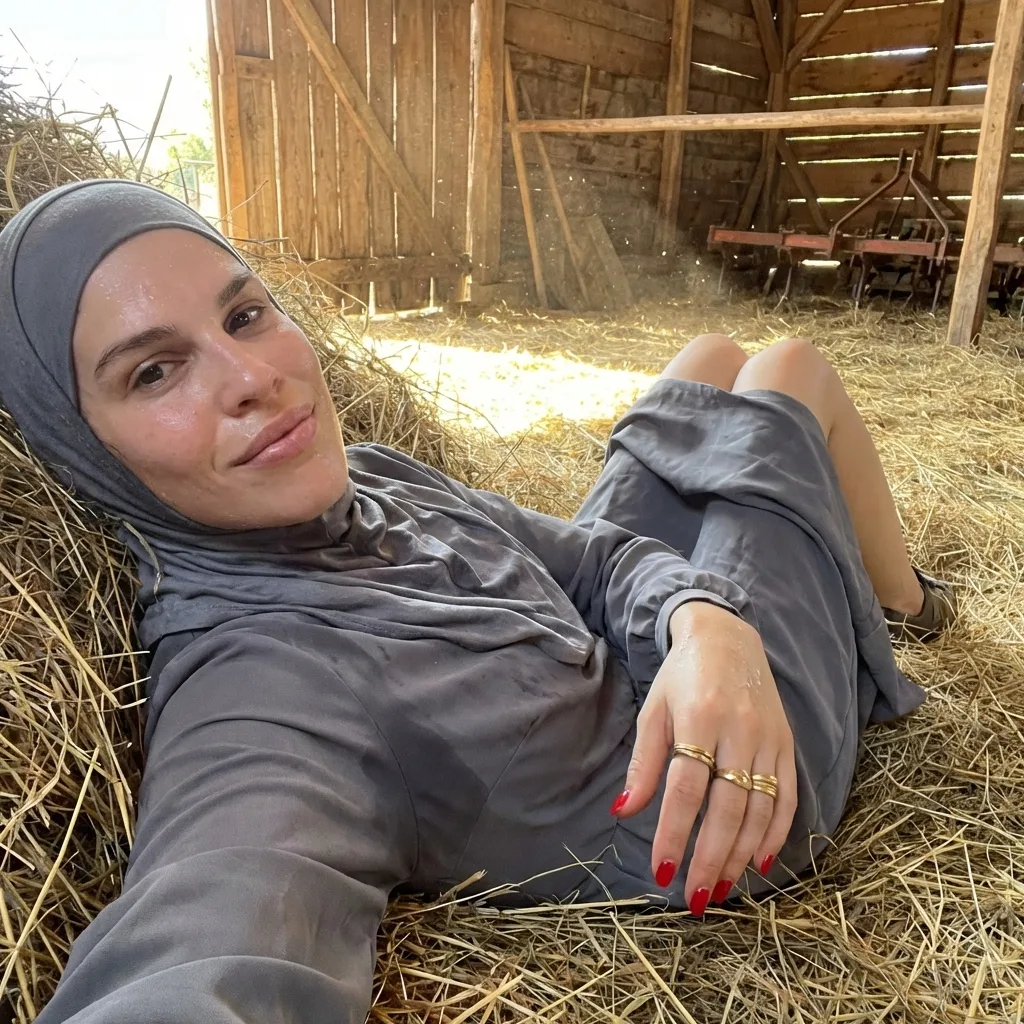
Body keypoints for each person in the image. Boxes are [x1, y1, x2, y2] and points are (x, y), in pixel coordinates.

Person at [0, 180, 955, 1024]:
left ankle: (824, 598)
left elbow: (591, 561)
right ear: (79, 447)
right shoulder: (265, 688)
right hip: (730, 789)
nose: (255, 379)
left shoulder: (367, 478)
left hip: (676, 657)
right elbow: (208, 940)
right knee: (790, 371)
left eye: (245, 315)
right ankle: (906, 604)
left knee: (711, 356)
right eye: (154, 372)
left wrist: (704, 621)